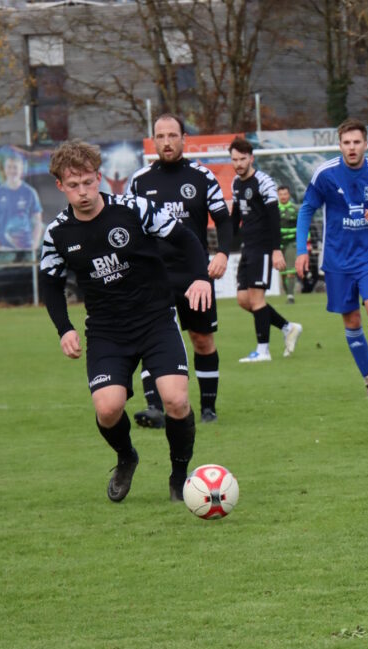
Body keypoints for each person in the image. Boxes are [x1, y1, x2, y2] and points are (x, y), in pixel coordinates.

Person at [39, 140, 212, 503]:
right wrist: (64, 328)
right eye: (74, 185)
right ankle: (126, 456)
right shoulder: (57, 233)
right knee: (107, 409)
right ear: (60, 186)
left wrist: (200, 277)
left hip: (155, 320)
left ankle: (179, 476)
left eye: (88, 182)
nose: (83, 191)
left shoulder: (135, 208)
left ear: (99, 177)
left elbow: (186, 239)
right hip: (107, 331)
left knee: (176, 400)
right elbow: (51, 284)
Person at [128, 113, 233, 427]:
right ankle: (154, 407)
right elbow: (128, 228)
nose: (166, 142)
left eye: (172, 135)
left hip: (194, 275)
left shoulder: (202, 176)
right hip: (154, 276)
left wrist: (223, 253)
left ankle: (208, 408)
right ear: (154, 140)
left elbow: (224, 220)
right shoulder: (140, 181)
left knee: (202, 339)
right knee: (152, 339)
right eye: (160, 136)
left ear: (184, 139)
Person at [295, 118, 368, 396]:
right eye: (346, 143)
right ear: (340, 145)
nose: (351, 147)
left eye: (356, 142)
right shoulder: (325, 174)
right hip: (337, 260)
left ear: (366, 144)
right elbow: (306, 209)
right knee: (352, 321)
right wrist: (301, 250)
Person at [229, 137, 303, 362]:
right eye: (234, 159)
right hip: (247, 247)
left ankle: (263, 351)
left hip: (262, 248)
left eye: (242, 159)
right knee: (244, 299)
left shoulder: (263, 182)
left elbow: (273, 217)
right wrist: (223, 247)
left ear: (251, 158)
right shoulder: (235, 183)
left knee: (257, 299)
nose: (238, 163)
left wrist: (276, 250)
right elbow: (235, 218)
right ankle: (288, 327)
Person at [0, 149, 43, 251]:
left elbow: (38, 222)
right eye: (9, 167)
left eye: (15, 167)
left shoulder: (30, 192)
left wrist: (34, 247)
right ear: (4, 169)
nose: (12, 171)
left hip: (26, 248)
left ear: (21, 169)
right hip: (4, 249)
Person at [277, 184, 299, 304]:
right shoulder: (274, 209)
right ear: (278, 195)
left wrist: (306, 239)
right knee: (283, 272)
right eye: (281, 194)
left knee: (291, 270)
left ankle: (290, 296)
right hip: (279, 245)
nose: (283, 196)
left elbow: (302, 225)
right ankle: (288, 292)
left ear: (289, 195)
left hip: (292, 242)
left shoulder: (295, 209)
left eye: (285, 194)